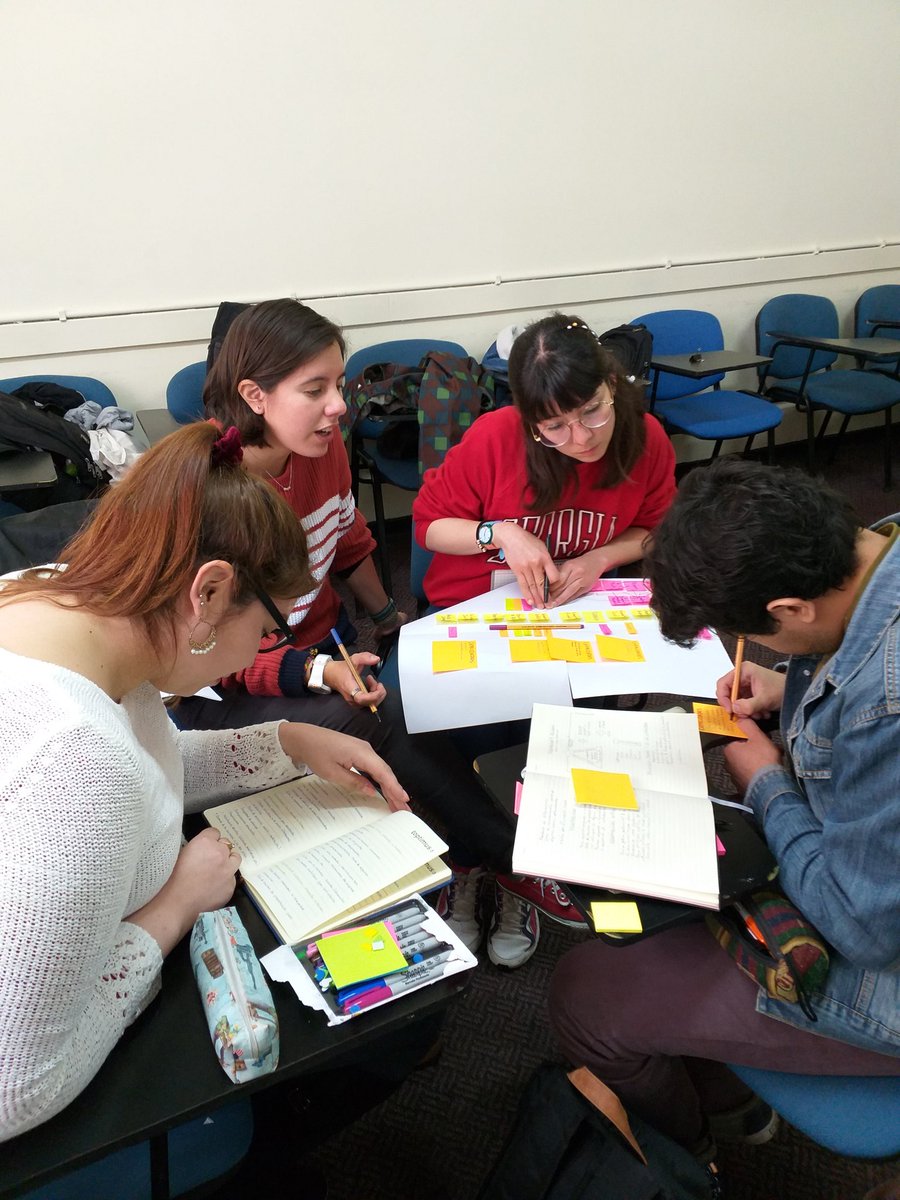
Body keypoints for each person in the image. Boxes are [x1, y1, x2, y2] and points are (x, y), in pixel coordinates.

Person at [0, 421, 423, 1146]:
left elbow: (145, 761)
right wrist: (176, 905)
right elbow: (16, 1089)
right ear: (211, 591)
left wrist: (283, 741)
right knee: (390, 1035)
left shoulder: (55, 600)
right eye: (264, 631)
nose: (263, 649)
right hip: (46, 1076)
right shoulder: (73, 767)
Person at [549, 459, 899, 1191]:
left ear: (792, 610)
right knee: (660, 908)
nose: (750, 649)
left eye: (751, 636)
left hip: (875, 946)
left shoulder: (885, 707)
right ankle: (725, 1091)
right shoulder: (880, 545)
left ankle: (701, 1150)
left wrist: (760, 772)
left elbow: (859, 926)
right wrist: (787, 683)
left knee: (588, 993)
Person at [180, 298, 555, 970]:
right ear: (254, 395)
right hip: (234, 680)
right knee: (370, 723)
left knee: (424, 683)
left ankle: (466, 856)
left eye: (340, 385)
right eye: (315, 390)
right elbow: (222, 659)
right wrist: (322, 672)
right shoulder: (216, 495)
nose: (339, 407)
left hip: (322, 648)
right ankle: (507, 859)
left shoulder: (316, 448)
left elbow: (349, 540)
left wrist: (390, 625)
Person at [413, 312, 677, 611]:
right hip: (478, 603)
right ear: (530, 421)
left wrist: (601, 557)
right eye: (554, 427)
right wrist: (500, 534)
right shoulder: (493, 437)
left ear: (612, 383)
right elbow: (429, 527)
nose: (581, 438)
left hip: (580, 602)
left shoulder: (646, 438)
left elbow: (659, 529)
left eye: (591, 410)